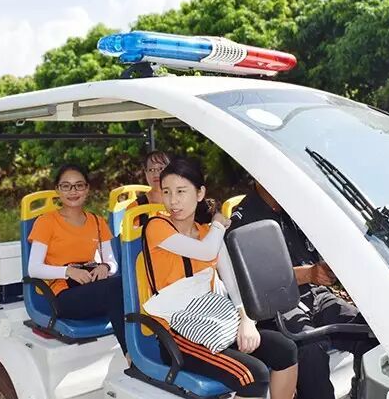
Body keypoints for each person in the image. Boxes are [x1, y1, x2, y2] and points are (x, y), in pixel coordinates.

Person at [145, 158, 298, 399]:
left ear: (199, 193)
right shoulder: (156, 226)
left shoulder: (206, 232)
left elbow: (231, 281)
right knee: (253, 376)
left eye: (181, 191)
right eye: (167, 192)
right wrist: (218, 224)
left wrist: (246, 320)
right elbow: (206, 252)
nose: (173, 201)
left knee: (286, 350)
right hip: (177, 332)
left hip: (213, 322)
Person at [227, 181, 377, 399]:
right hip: (277, 306)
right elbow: (256, 279)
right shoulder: (243, 221)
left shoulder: (297, 208)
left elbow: (321, 251)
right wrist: (309, 274)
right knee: (310, 348)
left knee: (369, 331)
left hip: (316, 295)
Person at [27, 164, 127, 355]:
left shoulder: (97, 222)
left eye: (79, 185)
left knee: (126, 286)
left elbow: (112, 262)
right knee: (116, 288)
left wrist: (105, 267)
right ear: (57, 190)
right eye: (66, 186)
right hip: (63, 297)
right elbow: (34, 269)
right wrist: (68, 271)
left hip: (91, 290)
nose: (73, 191)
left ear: (87, 189)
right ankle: (131, 355)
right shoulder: (46, 222)